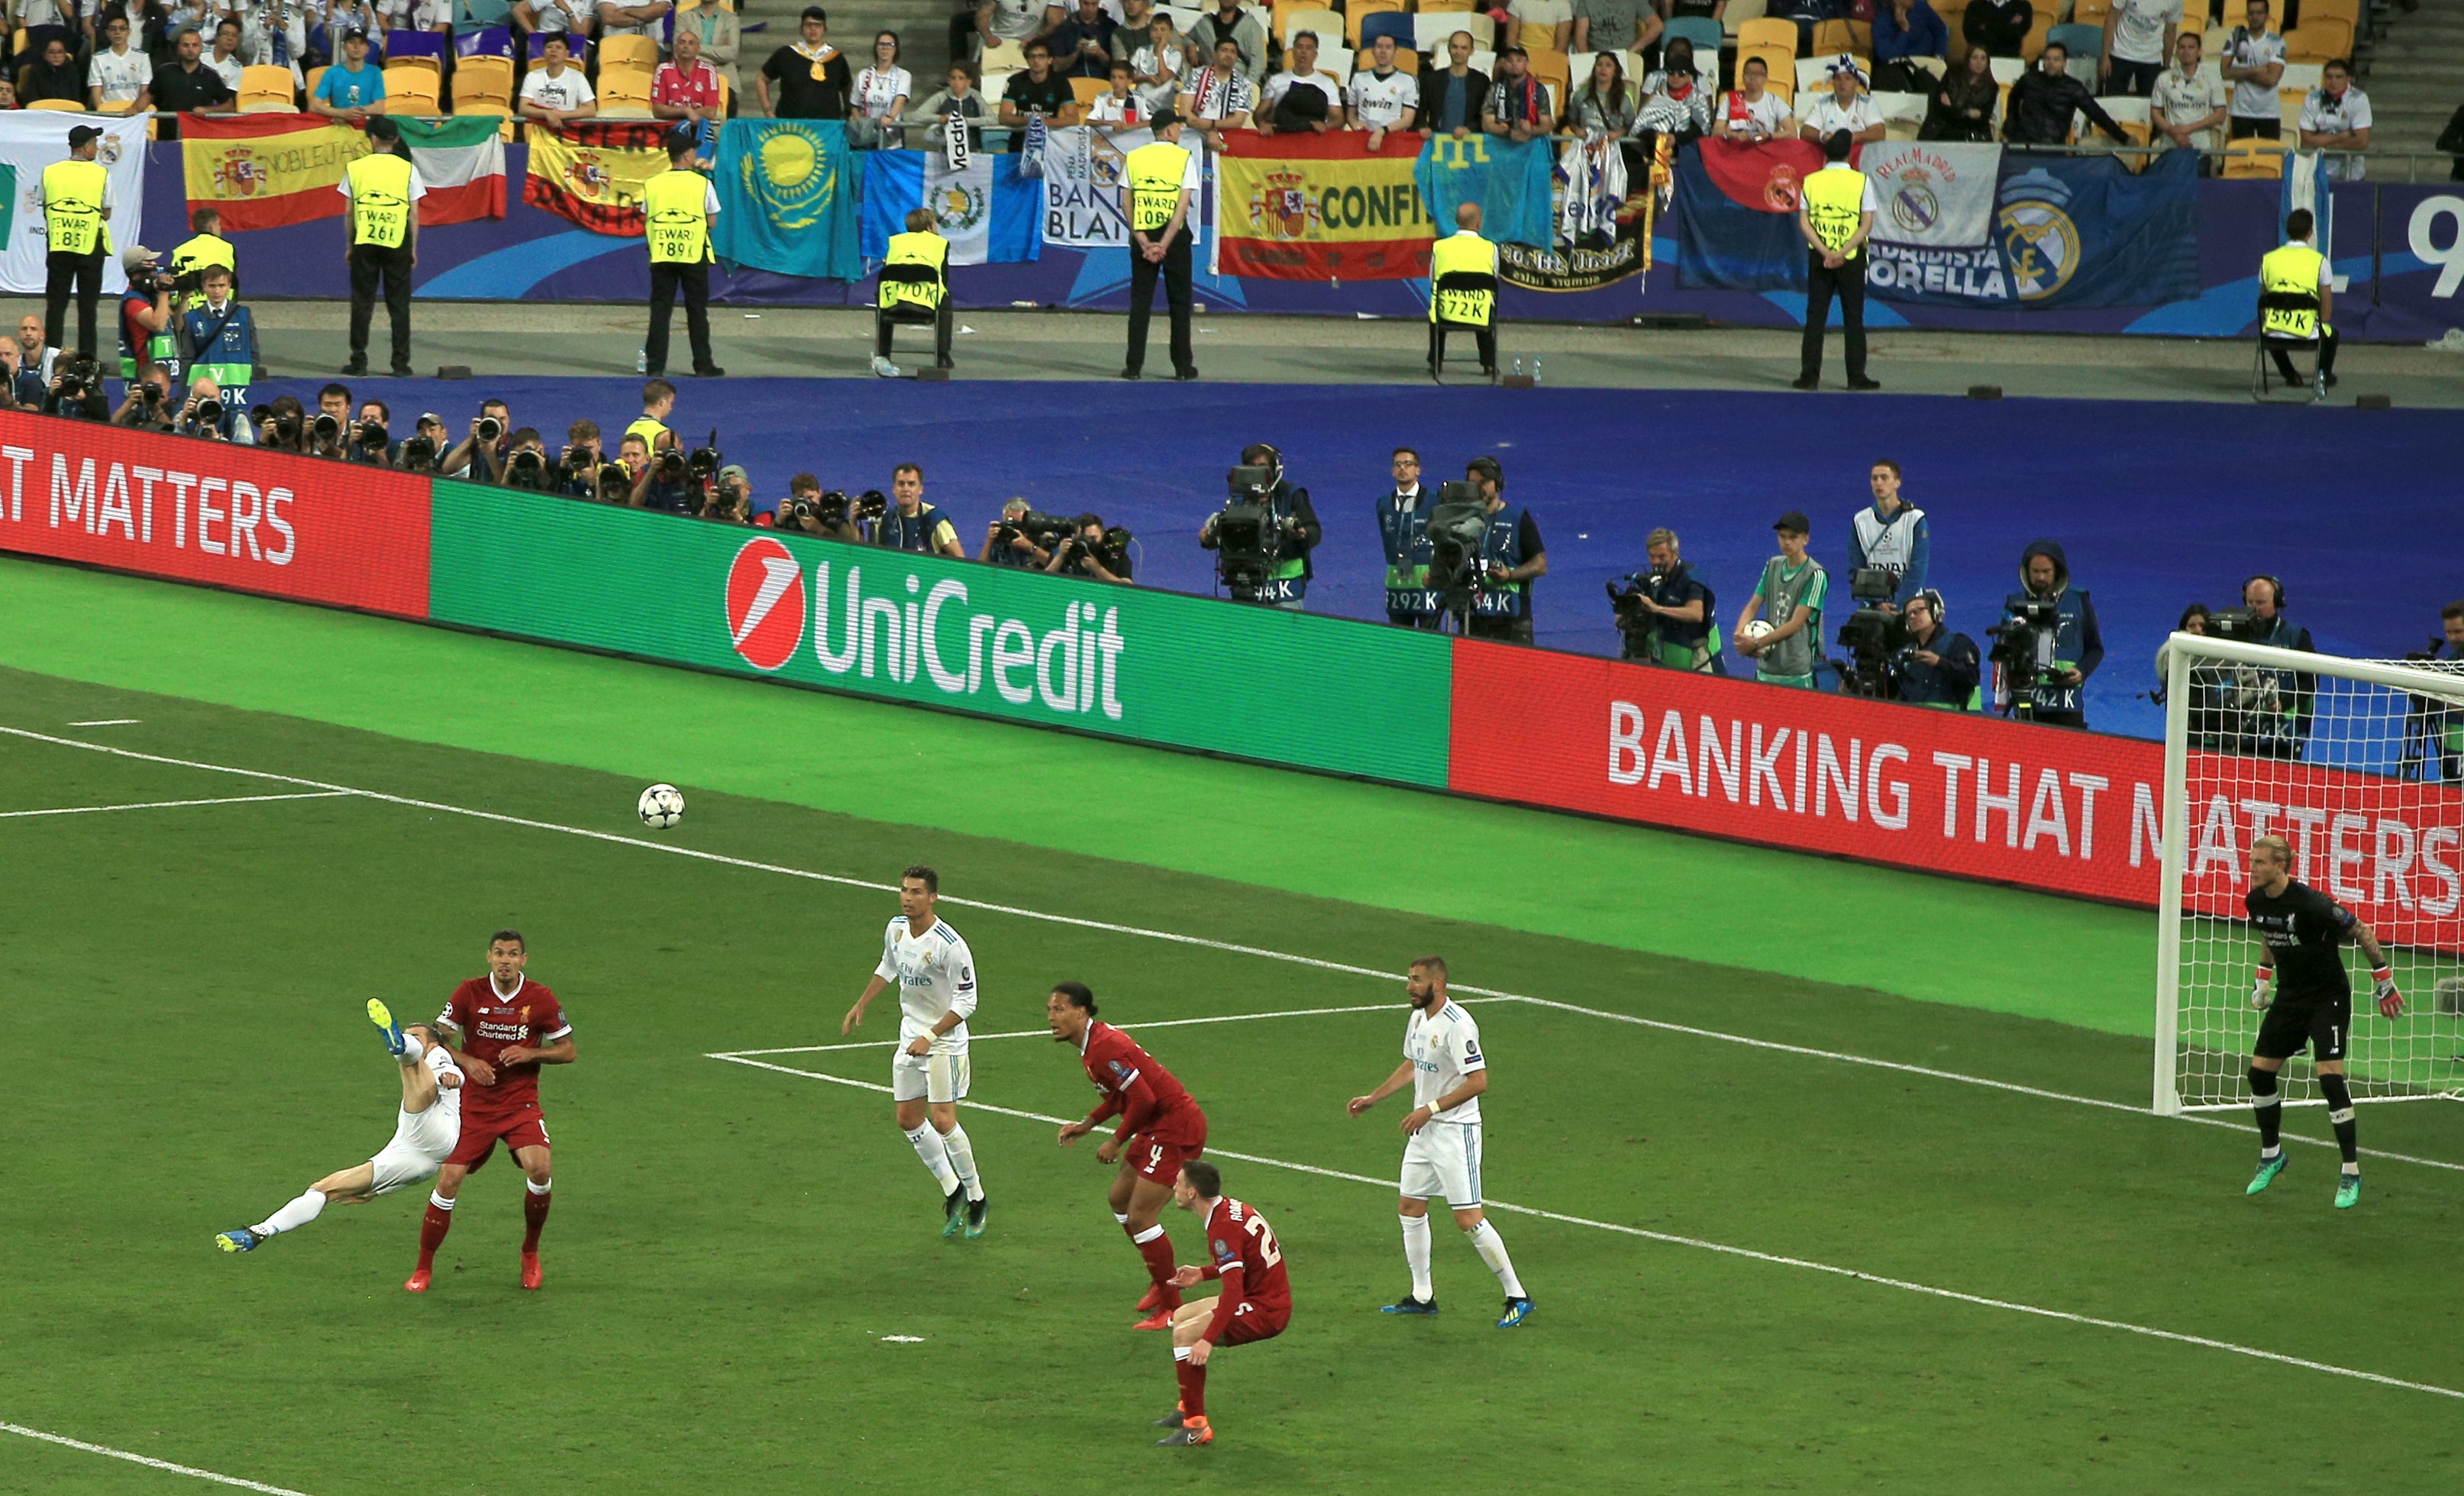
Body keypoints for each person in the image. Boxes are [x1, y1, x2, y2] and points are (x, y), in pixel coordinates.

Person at [1345, 956, 1534, 1328]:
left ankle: (1518, 1295)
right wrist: (1374, 1097)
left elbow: (1478, 1082)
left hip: (1454, 1132)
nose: (1409, 986)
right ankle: (1422, 1296)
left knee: (1468, 1218)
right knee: (1410, 1206)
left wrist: (1430, 1108)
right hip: (1424, 1131)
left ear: (1438, 983)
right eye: (1409, 979)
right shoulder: (1418, 1019)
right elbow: (1413, 1064)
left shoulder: (1459, 1025)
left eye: (1416, 980)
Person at [217, 1005, 465, 1255]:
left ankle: (398, 1045)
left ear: (432, 1044)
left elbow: (451, 1071)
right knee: (323, 1189)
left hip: (435, 1128)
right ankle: (260, 1231)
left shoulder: (437, 1054)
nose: (417, 1042)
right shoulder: (427, 1062)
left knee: (412, 1067)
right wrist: (377, 1190)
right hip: (418, 1157)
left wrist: (452, 1077)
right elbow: (417, 1172)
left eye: (416, 1038)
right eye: (409, 1037)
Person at [2243, 834, 2403, 1210]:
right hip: (2291, 997)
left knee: (2330, 1078)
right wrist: (2263, 979)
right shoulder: (2255, 901)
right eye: (2251, 862)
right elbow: (2270, 934)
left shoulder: (2313, 904)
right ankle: (2272, 1155)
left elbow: (2361, 931)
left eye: (2259, 863)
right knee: (2259, 1074)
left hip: (2327, 997)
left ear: (2280, 866)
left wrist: (2383, 979)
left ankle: (2350, 1171)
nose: (2252, 869)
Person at [411, 929, 575, 1294]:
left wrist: (532, 1053)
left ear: (523, 960)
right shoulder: (468, 992)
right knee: (449, 1180)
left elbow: (568, 1050)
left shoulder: (541, 998)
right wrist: (468, 1062)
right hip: (474, 1106)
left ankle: (530, 1254)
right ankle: (423, 1268)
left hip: (520, 1104)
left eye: (513, 954)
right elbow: (437, 1038)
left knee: (541, 1169)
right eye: (499, 953)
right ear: (489, 957)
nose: (505, 960)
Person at [1048, 980, 1212, 1331]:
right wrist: (1088, 1124)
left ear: (1080, 1012)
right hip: (1156, 1126)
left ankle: (1172, 1307)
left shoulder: (1104, 1047)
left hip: (1174, 1126)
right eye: (1049, 1009)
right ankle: (1161, 1273)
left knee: (1141, 1217)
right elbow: (1123, 1095)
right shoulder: (1091, 1047)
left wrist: (1116, 1140)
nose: (1051, 1017)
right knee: (1119, 1199)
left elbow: (1145, 1099)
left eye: (1059, 1009)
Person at [839, 866, 990, 1239]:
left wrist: (932, 1034)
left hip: (944, 1043)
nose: (908, 897)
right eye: (904, 890)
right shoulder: (895, 929)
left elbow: (968, 1001)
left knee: (942, 1120)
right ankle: (952, 1190)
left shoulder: (949, 945)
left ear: (933, 897)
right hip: (910, 1037)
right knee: (908, 1118)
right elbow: (888, 966)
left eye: (917, 892)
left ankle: (977, 1198)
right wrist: (862, 1003)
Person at [1152, 1162, 1291, 1448]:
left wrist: (1207, 1340)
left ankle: (1196, 1426)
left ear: (1192, 1193)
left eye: (1178, 1182)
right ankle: (1187, 1406)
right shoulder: (1228, 1210)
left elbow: (1233, 1291)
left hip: (1265, 1309)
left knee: (1186, 1335)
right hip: (1261, 1295)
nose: (1174, 1187)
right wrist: (1203, 1273)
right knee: (1181, 1315)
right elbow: (1244, 1264)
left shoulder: (1221, 1228)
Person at [1794, 131, 1879, 393]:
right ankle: (1856, 378)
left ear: (1826, 153)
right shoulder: (1861, 181)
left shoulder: (1811, 181)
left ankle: (1809, 377)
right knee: (1853, 318)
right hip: (1851, 259)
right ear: (1849, 154)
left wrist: (1825, 252)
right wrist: (1841, 253)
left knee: (1815, 317)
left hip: (1819, 258)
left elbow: (1804, 223)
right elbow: (1866, 225)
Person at [339, 115, 422, 379]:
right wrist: (413, 248)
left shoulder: (356, 168)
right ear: (396, 139)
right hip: (397, 241)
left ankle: (358, 361)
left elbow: (349, 212)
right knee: (399, 304)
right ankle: (400, 364)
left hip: (365, 241)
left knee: (362, 302)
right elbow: (414, 214)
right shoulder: (408, 169)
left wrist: (350, 245)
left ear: (373, 139)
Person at [1122, 108, 1200, 382]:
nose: (1180, 131)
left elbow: (1126, 202)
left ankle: (1133, 367)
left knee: (1140, 302)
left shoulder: (1134, 157)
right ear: (1169, 130)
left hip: (1143, 234)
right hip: (1174, 238)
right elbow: (1181, 207)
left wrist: (1143, 240)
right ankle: (1182, 367)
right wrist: (1164, 244)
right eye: (1177, 127)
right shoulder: (1183, 158)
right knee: (1179, 302)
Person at [643, 131, 725, 380]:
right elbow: (712, 221)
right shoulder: (702, 183)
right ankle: (703, 364)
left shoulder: (653, 183)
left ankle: (655, 365)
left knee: (660, 310)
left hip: (662, 254)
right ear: (688, 155)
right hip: (693, 254)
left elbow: (647, 215)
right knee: (697, 310)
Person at [1200, 441, 1319, 607]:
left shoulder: (1291, 495)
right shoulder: (1237, 500)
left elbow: (1315, 532)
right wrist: (1210, 539)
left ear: (1274, 470)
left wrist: (1302, 535)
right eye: (1252, 467)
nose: (1258, 472)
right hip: (1246, 584)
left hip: (1285, 587)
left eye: (1263, 467)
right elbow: (1224, 537)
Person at [2004, 539, 2103, 726]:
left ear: (2057, 570)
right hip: (2028, 702)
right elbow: (2004, 651)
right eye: (2035, 572)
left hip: (2067, 704)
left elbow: (2096, 649)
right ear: (2026, 571)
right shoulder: (2014, 604)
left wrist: (2081, 671)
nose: (2040, 577)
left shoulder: (2078, 601)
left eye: (2046, 572)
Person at [1736, 510, 1829, 688]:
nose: (1786, 542)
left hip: (1796, 671)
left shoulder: (1815, 575)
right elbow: (1753, 606)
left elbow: (1796, 624)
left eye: (1793, 537)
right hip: (1766, 667)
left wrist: (1755, 643)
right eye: (1782, 536)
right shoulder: (1773, 565)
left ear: (1805, 540)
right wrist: (1740, 636)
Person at [1460, 455, 1545, 643]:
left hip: (1512, 619)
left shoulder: (1519, 518)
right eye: (1473, 483)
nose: (1479, 488)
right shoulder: (1461, 520)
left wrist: (1510, 575)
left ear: (1498, 484)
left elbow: (1540, 565)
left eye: (1484, 482)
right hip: (1472, 615)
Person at [1616, 526, 1722, 670]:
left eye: (1662, 557)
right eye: (1652, 556)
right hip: (1667, 649)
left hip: (1697, 652)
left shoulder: (1691, 577)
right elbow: (1621, 618)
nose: (1656, 562)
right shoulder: (1651, 579)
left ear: (1675, 554)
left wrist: (1657, 609)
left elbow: (1696, 614)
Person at [2260, 206, 2336, 389]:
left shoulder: (2268, 260)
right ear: (2310, 233)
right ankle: (2322, 375)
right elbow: (2326, 312)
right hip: (2308, 332)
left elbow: (2263, 306)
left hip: (2275, 330)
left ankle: (2290, 375)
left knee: (2268, 331)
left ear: (2287, 231)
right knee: (2332, 334)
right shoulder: (2320, 262)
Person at [874, 205, 952, 374]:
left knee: (880, 298)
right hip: (926, 306)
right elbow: (944, 281)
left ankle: (883, 353)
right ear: (929, 226)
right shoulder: (940, 244)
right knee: (946, 299)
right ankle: (942, 355)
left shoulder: (895, 241)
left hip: (893, 306)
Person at [2004, 43, 2127, 147]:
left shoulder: (2074, 88)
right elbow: (2013, 98)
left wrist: (2123, 138)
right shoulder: (2029, 79)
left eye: (2056, 59)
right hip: (2024, 144)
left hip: (2053, 147)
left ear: (2064, 63)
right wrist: (2011, 124)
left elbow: (2097, 114)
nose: (2051, 63)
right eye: (2048, 59)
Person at [1429, 201, 1499, 379]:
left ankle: (1436, 361)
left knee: (1436, 306)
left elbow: (1433, 280)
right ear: (1478, 223)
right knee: (1486, 305)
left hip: (1446, 314)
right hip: (1479, 315)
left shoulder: (1440, 247)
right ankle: (1489, 364)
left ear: (1456, 221)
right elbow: (1493, 279)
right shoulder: (1491, 248)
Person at [1846, 457, 1927, 609]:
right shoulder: (1860, 521)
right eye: (1874, 478)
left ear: (1897, 482)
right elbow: (1855, 570)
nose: (1878, 483)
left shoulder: (1915, 519)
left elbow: (1918, 570)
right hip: (1873, 609)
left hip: (1910, 607)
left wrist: (1898, 605)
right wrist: (1876, 605)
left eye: (1884, 478)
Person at [1377, 446, 1436, 629]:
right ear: (1392, 471)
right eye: (1398, 464)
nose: (1403, 468)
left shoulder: (1435, 502)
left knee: (1430, 640)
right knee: (1400, 643)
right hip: (1397, 583)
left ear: (1418, 470)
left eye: (1408, 464)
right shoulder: (1383, 504)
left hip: (1427, 581)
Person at [759, 6, 851, 120]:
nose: (813, 29)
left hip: (827, 127)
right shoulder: (786, 54)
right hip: (790, 126)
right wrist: (768, 111)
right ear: (801, 28)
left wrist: (847, 113)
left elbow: (847, 87)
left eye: (818, 25)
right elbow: (761, 79)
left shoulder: (836, 58)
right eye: (808, 25)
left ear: (824, 29)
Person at [1892, 589, 1980, 707]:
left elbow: (1971, 677)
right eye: (1908, 614)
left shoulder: (1957, 643)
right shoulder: (1905, 654)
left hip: (1951, 720)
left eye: (1917, 611)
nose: (1912, 616)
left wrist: (1939, 662)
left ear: (1935, 612)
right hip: (1913, 721)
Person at [2152, 31, 2229, 162]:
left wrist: (2189, 128)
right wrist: (2173, 132)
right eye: (2182, 47)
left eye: (2191, 47)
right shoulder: (2164, 78)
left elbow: (2220, 115)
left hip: (2200, 149)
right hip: (2170, 148)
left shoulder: (2212, 78)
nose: (2186, 51)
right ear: (2176, 52)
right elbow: (2155, 113)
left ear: (2199, 52)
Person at [150, 23, 235, 131]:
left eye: (195, 45)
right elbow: (148, 96)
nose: (191, 49)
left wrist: (209, 110)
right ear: (178, 48)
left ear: (201, 48)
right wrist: (134, 109)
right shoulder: (165, 71)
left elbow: (229, 105)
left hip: (198, 139)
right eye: (186, 45)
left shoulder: (210, 76)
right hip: (166, 138)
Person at [2298, 59, 2371, 182]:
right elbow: (2306, 142)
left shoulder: (2359, 99)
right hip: (2318, 173)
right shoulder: (2312, 99)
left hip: (2352, 174)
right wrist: (2343, 136)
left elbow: (2361, 142)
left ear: (2348, 79)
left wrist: (2322, 142)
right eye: (2329, 77)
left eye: (2339, 77)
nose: (2333, 82)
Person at [2220, 0, 2285, 141]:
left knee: (2269, 158)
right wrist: (2256, 70)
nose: (2255, 17)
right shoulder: (2235, 37)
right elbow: (2225, 73)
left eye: (2259, 13)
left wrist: (2239, 72)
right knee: (2241, 157)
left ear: (2267, 15)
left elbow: (2271, 80)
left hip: (2268, 112)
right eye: (2251, 13)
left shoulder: (2277, 41)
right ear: (2247, 15)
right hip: (2241, 111)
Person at [999, 38, 1080, 148]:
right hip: (1021, 139)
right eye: (1032, 56)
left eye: (1041, 56)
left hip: (1050, 140)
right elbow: (1004, 117)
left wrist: (1045, 122)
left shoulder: (1061, 82)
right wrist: (1031, 121)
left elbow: (1073, 118)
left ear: (1050, 60)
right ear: (1027, 60)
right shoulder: (1015, 81)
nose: (1036, 61)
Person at [874, 463, 966, 557]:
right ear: (894, 489)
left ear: (921, 489)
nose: (906, 489)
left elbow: (961, 561)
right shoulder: (885, 518)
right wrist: (857, 525)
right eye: (901, 484)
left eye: (911, 484)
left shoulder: (935, 519)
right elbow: (869, 557)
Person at [1260, 30, 1342, 136]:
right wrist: (1264, 125)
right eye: (1299, 47)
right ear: (1293, 52)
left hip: (1314, 138)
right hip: (1281, 137)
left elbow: (1338, 119)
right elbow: (1260, 114)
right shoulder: (1276, 81)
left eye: (1308, 48)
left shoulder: (1327, 84)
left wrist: (1326, 126)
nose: (1303, 52)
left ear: (1315, 55)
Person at [117, 244, 177, 386]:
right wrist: (164, 293)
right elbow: (158, 325)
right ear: (136, 272)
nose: (155, 266)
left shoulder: (151, 296)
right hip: (145, 372)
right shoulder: (133, 300)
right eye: (149, 262)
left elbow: (175, 323)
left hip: (164, 369)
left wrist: (185, 298)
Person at [1180, 36, 1254, 149]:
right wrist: (1209, 132)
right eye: (1224, 50)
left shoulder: (1244, 83)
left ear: (1236, 57)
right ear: (1214, 54)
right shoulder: (1197, 75)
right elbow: (1185, 112)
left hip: (1227, 135)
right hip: (1195, 131)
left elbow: (1238, 120)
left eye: (1233, 52)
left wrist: (1211, 126)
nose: (1228, 55)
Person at [1345, 34, 1416, 147]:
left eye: (1388, 47)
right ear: (1373, 51)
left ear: (1396, 52)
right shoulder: (1359, 78)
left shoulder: (1408, 81)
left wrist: (1382, 131)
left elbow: (1407, 119)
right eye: (1379, 47)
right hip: (1363, 139)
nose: (1383, 51)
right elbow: (1351, 113)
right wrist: (1354, 123)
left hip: (1393, 140)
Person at [1920, 44, 1998, 142]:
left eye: (1983, 58)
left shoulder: (1992, 87)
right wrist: (1968, 113)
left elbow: (1983, 118)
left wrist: (1952, 109)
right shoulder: (1952, 75)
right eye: (1975, 58)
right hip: (1944, 131)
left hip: (1974, 135)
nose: (1979, 62)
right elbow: (1939, 109)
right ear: (1967, 60)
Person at [1798, 55, 1884, 145]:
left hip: (1861, 155)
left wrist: (1854, 137)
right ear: (1833, 83)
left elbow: (1880, 133)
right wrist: (1824, 136)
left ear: (1856, 83)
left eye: (1848, 79)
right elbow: (1806, 131)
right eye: (1838, 79)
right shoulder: (1822, 104)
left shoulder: (1868, 103)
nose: (1843, 83)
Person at [1419, 32, 1490, 141]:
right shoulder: (1432, 79)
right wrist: (1423, 126)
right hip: (1437, 143)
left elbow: (1486, 114)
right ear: (1448, 49)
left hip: (1470, 144)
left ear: (1472, 51)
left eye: (1464, 48)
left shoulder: (1481, 81)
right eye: (1455, 47)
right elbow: (1421, 109)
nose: (1458, 52)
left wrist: (1470, 129)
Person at [844, 30, 910, 147]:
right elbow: (855, 105)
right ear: (876, 48)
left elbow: (900, 99)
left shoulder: (903, 75)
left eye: (890, 45)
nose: (885, 48)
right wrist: (861, 126)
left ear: (895, 49)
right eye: (881, 44)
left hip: (891, 138)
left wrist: (890, 117)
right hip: (867, 137)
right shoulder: (863, 74)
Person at [2098, 0, 2174, 99]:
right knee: (2113, 102)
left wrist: (2166, 67)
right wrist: (2105, 57)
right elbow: (2111, 19)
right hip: (2121, 52)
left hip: (2152, 58)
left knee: (2149, 105)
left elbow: (2170, 32)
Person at [520, 33, 598, 127]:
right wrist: (546, 113)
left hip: (568, 131)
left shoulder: (577, 77)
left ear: (567, 54)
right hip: (539, 130)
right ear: (544, 52)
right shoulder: (532, 76)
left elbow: (591, 109)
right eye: (549, 47)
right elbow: (523, 107)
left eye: (559, 47)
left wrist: (561, 115)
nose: (553, 50)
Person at [1870, 0, 1947, 95]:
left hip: (1927, 65)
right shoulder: (1880, 22)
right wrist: (1904, 30)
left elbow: (1940, 30)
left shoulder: (1921, 6)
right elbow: (1888, 57)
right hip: (1899, 70)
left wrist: (1939, 55)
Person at [87, 11, 156, 114]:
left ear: (128, 32)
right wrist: (105, 114)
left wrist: (136, 110)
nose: (117, 32)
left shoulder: (142, 57)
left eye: (122, 29)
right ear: (107, 33)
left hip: (135, 113)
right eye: (113, 29)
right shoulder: (98, 58)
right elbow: (96, 95)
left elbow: (145, 91)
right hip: (109, 114)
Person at [1716, 56, 1796, 143]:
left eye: (1758, 74)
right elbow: (1716, 131)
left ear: (1766, 79)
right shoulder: (1730, 99)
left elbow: (1792, 133)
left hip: (1766, 149)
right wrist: (1733, 135)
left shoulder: (1774, 101)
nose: (1753, 78)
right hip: (1736, 150)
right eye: (1749, 73)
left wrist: (1769, 136)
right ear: (1743, 77)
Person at [914, 61, 988, 154]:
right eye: (953, 78)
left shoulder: (976, 97)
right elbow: (917, 115)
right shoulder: (941, 97)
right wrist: (939, 119)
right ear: (948, 80)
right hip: (946, 152)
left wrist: (967, 121)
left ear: (968, 82)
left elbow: (992, 119)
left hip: (973, 150)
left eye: (961, 78)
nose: (956, 82)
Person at [1185, 0, 1264, 86]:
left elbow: (1258, 64)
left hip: (1237, 83)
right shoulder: (1205, 23)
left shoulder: (1251, 26)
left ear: (1238, 1)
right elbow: (1188, 38)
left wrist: (1246, 87)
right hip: (1207, 82)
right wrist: (1190, 46)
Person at [309, 26, 383, 120]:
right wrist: (343, 113)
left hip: (366, 126)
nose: (356, 47)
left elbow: (379, 108)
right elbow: (314, 106)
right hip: (340, 125)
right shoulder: (332, 72)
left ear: (367, 48)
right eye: (352, 42)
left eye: (361, 43)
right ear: (344, 47)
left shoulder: (375, 72)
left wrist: (354, 113)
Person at [1484, 47, 1553, 143]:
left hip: (1532, 142)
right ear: (1504, 64)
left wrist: (1531, 130)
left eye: (1519, 60)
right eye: (1510, 61)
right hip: (1501, 142)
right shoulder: (1495, 89)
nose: (1514, 64)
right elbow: (1487, 124)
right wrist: (1508, 133)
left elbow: (1546, 125)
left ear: (1527, 64)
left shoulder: (1539, 90)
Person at [1129, 15, 1188, 115]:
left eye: (1163, 30)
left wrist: (1160, 51)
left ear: (1170, 34)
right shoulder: (1141, 51)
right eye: (1154, 30)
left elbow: (1163, 78)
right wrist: (1146, 78)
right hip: (1140, 105)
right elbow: (1128, 75)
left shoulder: (1175, 55)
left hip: (1163, 107)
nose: (1159, 33)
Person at [1048, 512, 1131, 582]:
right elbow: (1043, 582)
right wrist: (1060, 556)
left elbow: (1128, 589)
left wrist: (1098, 569)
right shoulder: (1065, 551)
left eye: (1093, 538)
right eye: (1083, 538)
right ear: (1075, 536)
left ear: (1103, 534)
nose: (1088, 542)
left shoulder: (1113, 554)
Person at [1047, 0, 1115, 79]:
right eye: (1086, 4)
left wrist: (1100, 53)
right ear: (1079, 2)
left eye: (1094, 4)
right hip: (1073, 81)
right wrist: (1076, 54)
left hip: (1102, 81)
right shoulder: (1065, 28)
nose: (1090, 8)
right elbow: (1057, 67)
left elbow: (1119, 66)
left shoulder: (1110, 27)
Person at [980, 496, 1053, 566]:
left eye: (1019, 524)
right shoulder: (1001, 536)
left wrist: (1031, 547)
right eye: (1011, 524)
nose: (1016, 529)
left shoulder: (1042, 536)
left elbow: (1057, 567)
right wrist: (989, 541)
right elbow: (981, 570)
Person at [1571, 0, 1658, 57]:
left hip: (1626, 56)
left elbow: (1657, 26)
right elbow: (1581, 36)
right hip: (1596, 56)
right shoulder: (1585, 2)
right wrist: (1587, 59)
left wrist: (1632, 50)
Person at [978, 0, 1063, 56]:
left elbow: (1055, 22)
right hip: (997, 41)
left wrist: (1037, 39)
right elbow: (983, 14)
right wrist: (988, 37)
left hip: (1030, 44)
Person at [21, 37, 88, 107]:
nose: (56, 56)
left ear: (65, 54)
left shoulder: (72, 69)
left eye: (60, 52)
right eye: (51, 52)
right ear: (44, 55)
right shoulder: (35, 70)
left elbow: (76, 97)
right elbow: (32, 97)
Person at [1962, 0, 2032, 60]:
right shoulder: (1975, 6)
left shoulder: (2022, 7)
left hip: (2010, 61)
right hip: (1980, 61)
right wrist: (2007, 24)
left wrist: (1987, 27)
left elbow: (2018, 32)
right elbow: (1971, 35)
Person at [1088, 57, 1143, 123]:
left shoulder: (1138, 98)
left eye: (1121, 78)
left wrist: (1127, 128)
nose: (1116, 81)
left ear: (1129, 80)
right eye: (1113, 77)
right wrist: (1108, 124)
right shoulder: (1102, 98)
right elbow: (1089, 121)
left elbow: (1149, 121)